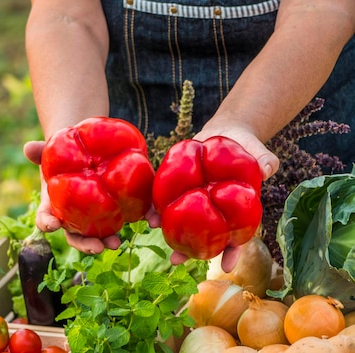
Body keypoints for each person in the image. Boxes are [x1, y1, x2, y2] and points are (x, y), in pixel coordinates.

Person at [22, 0, 355, 272]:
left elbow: (320, 9)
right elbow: (65, 15)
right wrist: (72, 140)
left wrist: (242, 123)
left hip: (294, 122)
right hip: (124, 152)